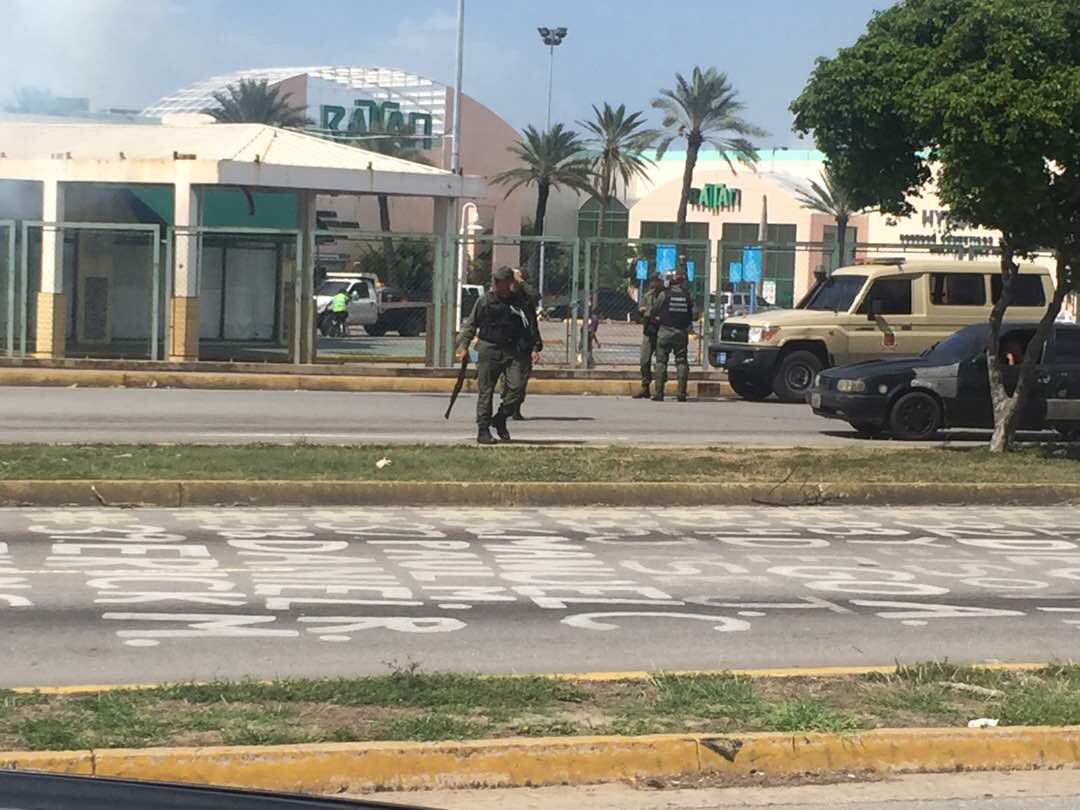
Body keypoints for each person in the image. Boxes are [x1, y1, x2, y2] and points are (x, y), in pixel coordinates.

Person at [457, 266, 542, 444]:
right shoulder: (485, 301)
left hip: (514, 350)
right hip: (489, 348)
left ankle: (501, 417)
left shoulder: (521, 302)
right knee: (485, 391)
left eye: (500, 281)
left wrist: (535, 347)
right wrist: (463, 346)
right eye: (494, 280)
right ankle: (483, 429)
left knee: (517, 388)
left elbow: (531, 324)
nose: (495, 284)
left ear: (510, 283)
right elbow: (471, 325)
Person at [500, 269, 542, 420]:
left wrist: (535, 347)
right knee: (508, 379)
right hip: (506, 345)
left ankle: (515, 408)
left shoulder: (525, 300)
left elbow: (536, 296)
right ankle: (505, 407)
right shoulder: (502, 296)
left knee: (521, 380)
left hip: (524, 345)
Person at [649, 268, 694, 402]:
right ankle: (681, 393)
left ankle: (659, 393)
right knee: (681, 362)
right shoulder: (687, 295)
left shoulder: (664, 294)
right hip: (681, 332)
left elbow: (654, 311)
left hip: (665, 331)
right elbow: (695, 314)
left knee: (661, 361)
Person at [634, 274, 665, 399]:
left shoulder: (665, 296)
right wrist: (644, 312)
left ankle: (659, 389)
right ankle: (645, 386)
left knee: (660, 362)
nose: (654, 284)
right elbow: (640, 312)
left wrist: (648, 312)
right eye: (653, 281)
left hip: (661, 331)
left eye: (657, 281)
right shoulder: (647, 296)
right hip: (649, 331)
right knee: (644, 360)